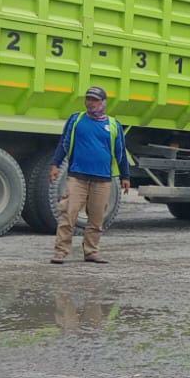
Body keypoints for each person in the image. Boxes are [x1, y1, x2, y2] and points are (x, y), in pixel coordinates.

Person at [49, 86, 130, 265]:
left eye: (95, 100)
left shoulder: (113, 125)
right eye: (88, 99)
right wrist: (55, 164)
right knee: (68, 213)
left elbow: (120, 153)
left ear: (104, 103)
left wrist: (125, 176)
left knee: (96, 218)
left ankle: (91, 251)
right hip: (77, 177)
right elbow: (64, 143)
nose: (91, 103)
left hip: (103, 179)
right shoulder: (76, 120)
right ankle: (61, 251)